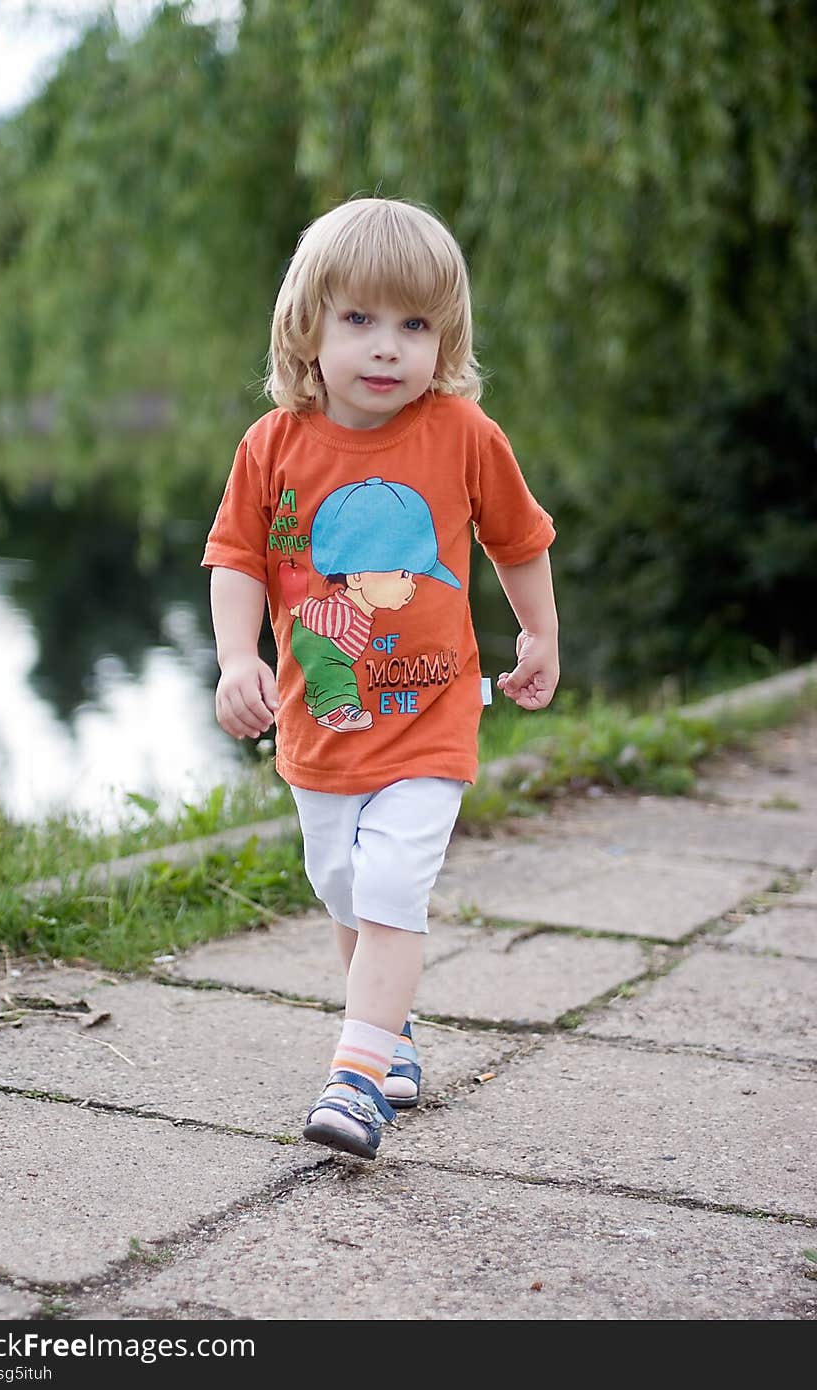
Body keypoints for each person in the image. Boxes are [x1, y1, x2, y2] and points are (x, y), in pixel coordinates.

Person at [202, 196, 559, 1160]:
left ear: (443, 339)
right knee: (344, 884)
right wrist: (241, 657)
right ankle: (392, 1032)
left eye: (414, 324)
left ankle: (356, 1080)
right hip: (320, 724)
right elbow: (236, 559)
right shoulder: (271, 447)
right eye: (359, 319)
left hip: (432, 716)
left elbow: (518, 539)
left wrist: (540, 634)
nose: (388, 347)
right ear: (307, 326)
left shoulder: (463, 433)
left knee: (395, 881)